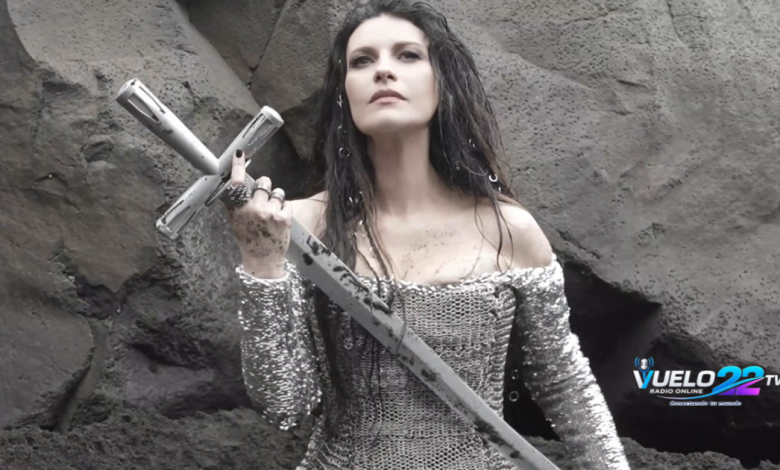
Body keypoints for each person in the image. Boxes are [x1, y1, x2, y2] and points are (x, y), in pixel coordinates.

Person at [225, 0, 631, 469]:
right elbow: (285, 406)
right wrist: (262, 262)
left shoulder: (508, 230)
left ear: (442, 81)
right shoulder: (297, 227)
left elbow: (563, 383)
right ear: (343, 93)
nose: (383, 71)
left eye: (408, 55)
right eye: (362, 61)